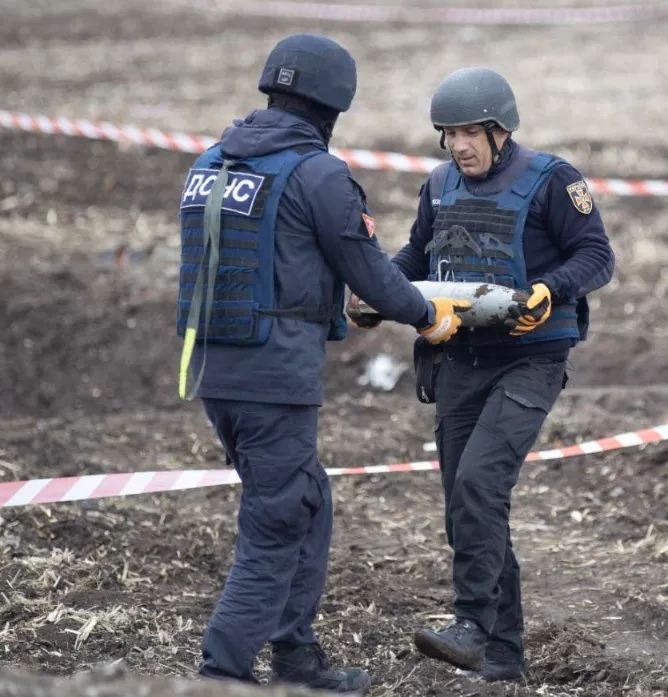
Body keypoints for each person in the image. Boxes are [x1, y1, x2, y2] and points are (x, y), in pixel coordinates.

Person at [175, 34, 471, 694]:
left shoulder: (211, 162)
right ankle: (222, 672)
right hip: (274, 376)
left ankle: (297, 657)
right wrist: (427, 315)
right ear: (335, 103)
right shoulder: (318, 174)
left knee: (307, 500)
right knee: (278, 518)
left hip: (216, 371)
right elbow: (368, 269)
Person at [349, 66, 615, 683]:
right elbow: (416, 255)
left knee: (479, 485)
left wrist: (550, 289)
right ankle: (503, 656)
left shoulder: (553, 180)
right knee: (468, 508)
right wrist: (375, 291)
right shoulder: (439, 184)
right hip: (459, 360)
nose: (458, 146)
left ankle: (472, 624)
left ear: (500, 131)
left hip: (530, 359)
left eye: (470, 132)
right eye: (449, 134)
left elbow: (597, 254)